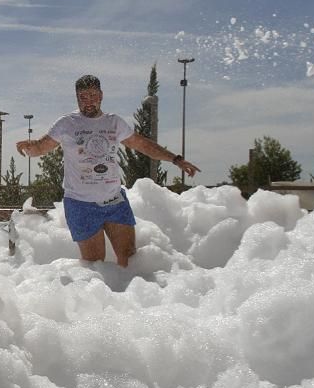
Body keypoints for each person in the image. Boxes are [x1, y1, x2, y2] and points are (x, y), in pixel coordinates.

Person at [17, 74, 200, 268]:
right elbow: (41, 147)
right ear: (77, 98)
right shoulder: (67, 123)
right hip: (81, 205)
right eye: (83, 97)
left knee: (130, 260)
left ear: (101, 95)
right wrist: (30, 146)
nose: (88, 102)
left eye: (92, 96)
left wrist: (176, 159)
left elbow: (142, 144)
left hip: (114, 202)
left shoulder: (114, 122)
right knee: (95, 266)